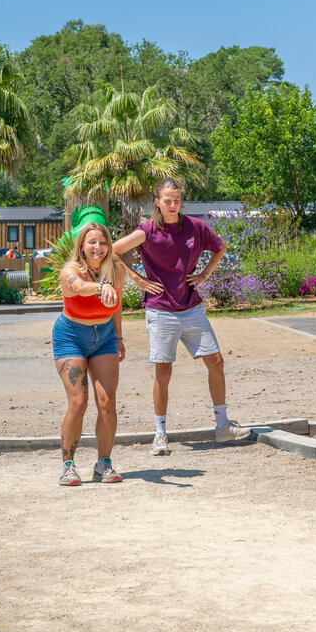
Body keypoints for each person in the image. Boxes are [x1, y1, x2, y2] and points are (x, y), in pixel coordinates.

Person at [114, 179, 251, 456]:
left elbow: (220, 248)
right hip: (160, 308)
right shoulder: (147, 231)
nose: (173, 205)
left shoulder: (195, 227)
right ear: (157, 202)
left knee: (216, 361)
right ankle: (160, 433)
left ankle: (222, 426)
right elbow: (114, 251)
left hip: (191, 307)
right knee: (163, 372)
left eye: (176, 200)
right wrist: (138, 280)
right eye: (167, 201)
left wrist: (204, 274)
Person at [52, 223, 125, 486]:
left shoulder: (116, 270)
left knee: (107, 403)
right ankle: (68, 465)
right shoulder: (70, 271)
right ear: (82, 246)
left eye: (103, 242)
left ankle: (103, 463)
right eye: (92, 242)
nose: (97, 247)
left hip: (104, 336)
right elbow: (79, 288)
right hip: (70, 336)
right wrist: (100, 287)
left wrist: (118, 337)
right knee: (78, 402)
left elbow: (116, 308)